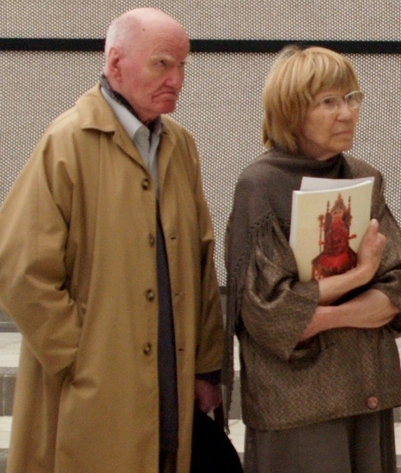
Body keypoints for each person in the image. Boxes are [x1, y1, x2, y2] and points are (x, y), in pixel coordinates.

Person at [0, 7, 225, 473]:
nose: (177, 80)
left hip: (170, 381)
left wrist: (205, 367)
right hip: (93, 390)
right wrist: (79, 357)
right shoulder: (68, 141)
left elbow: (202, 262)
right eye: (162, 64)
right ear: (116, 63)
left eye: (182, 66)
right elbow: (19, 267)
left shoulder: (180, 146)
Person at [224, 45, 401, 473]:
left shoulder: (363, 177)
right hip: (296, 403)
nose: (347, 114)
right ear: (292, 110)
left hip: (364, 386)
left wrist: (321, 315)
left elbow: (397, 287)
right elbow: (271, 316)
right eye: (329, 102)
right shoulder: (260, 186)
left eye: (352, 98)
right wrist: (361, 275)